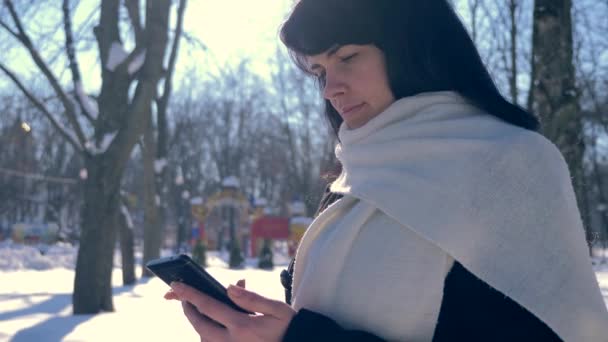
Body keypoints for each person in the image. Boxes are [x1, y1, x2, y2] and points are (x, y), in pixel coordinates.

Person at [163, 0, 608, 341]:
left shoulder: (511, 162)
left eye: (347, 57)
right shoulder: (352, 178)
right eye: (319, 70)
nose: (330, 89)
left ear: (412, 45)